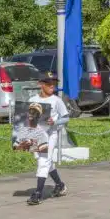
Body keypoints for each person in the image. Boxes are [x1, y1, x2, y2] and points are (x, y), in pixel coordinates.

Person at [26, 72, 69, 205]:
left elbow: (66, 118)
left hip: (50, 135)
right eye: (49, 83)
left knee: (43, 162)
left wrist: (55, 122)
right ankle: (60, 185)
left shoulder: (57, 100)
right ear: (41, 84)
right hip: (36, 135)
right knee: (45, 161)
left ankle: (38, 194)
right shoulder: (32, 100)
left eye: (54, 83)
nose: (52, 85)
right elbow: (27, 119)